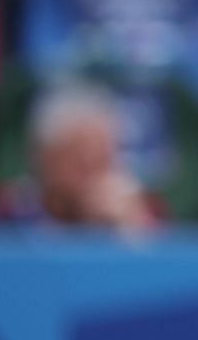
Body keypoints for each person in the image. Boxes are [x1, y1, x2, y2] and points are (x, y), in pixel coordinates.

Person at [26, 85, 157, 231]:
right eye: (79, 160)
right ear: (45, 158)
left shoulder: (142, 210)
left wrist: (128, 225)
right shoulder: (6, 215)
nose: (92, 174)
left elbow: (154, 249)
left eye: (102, 159)